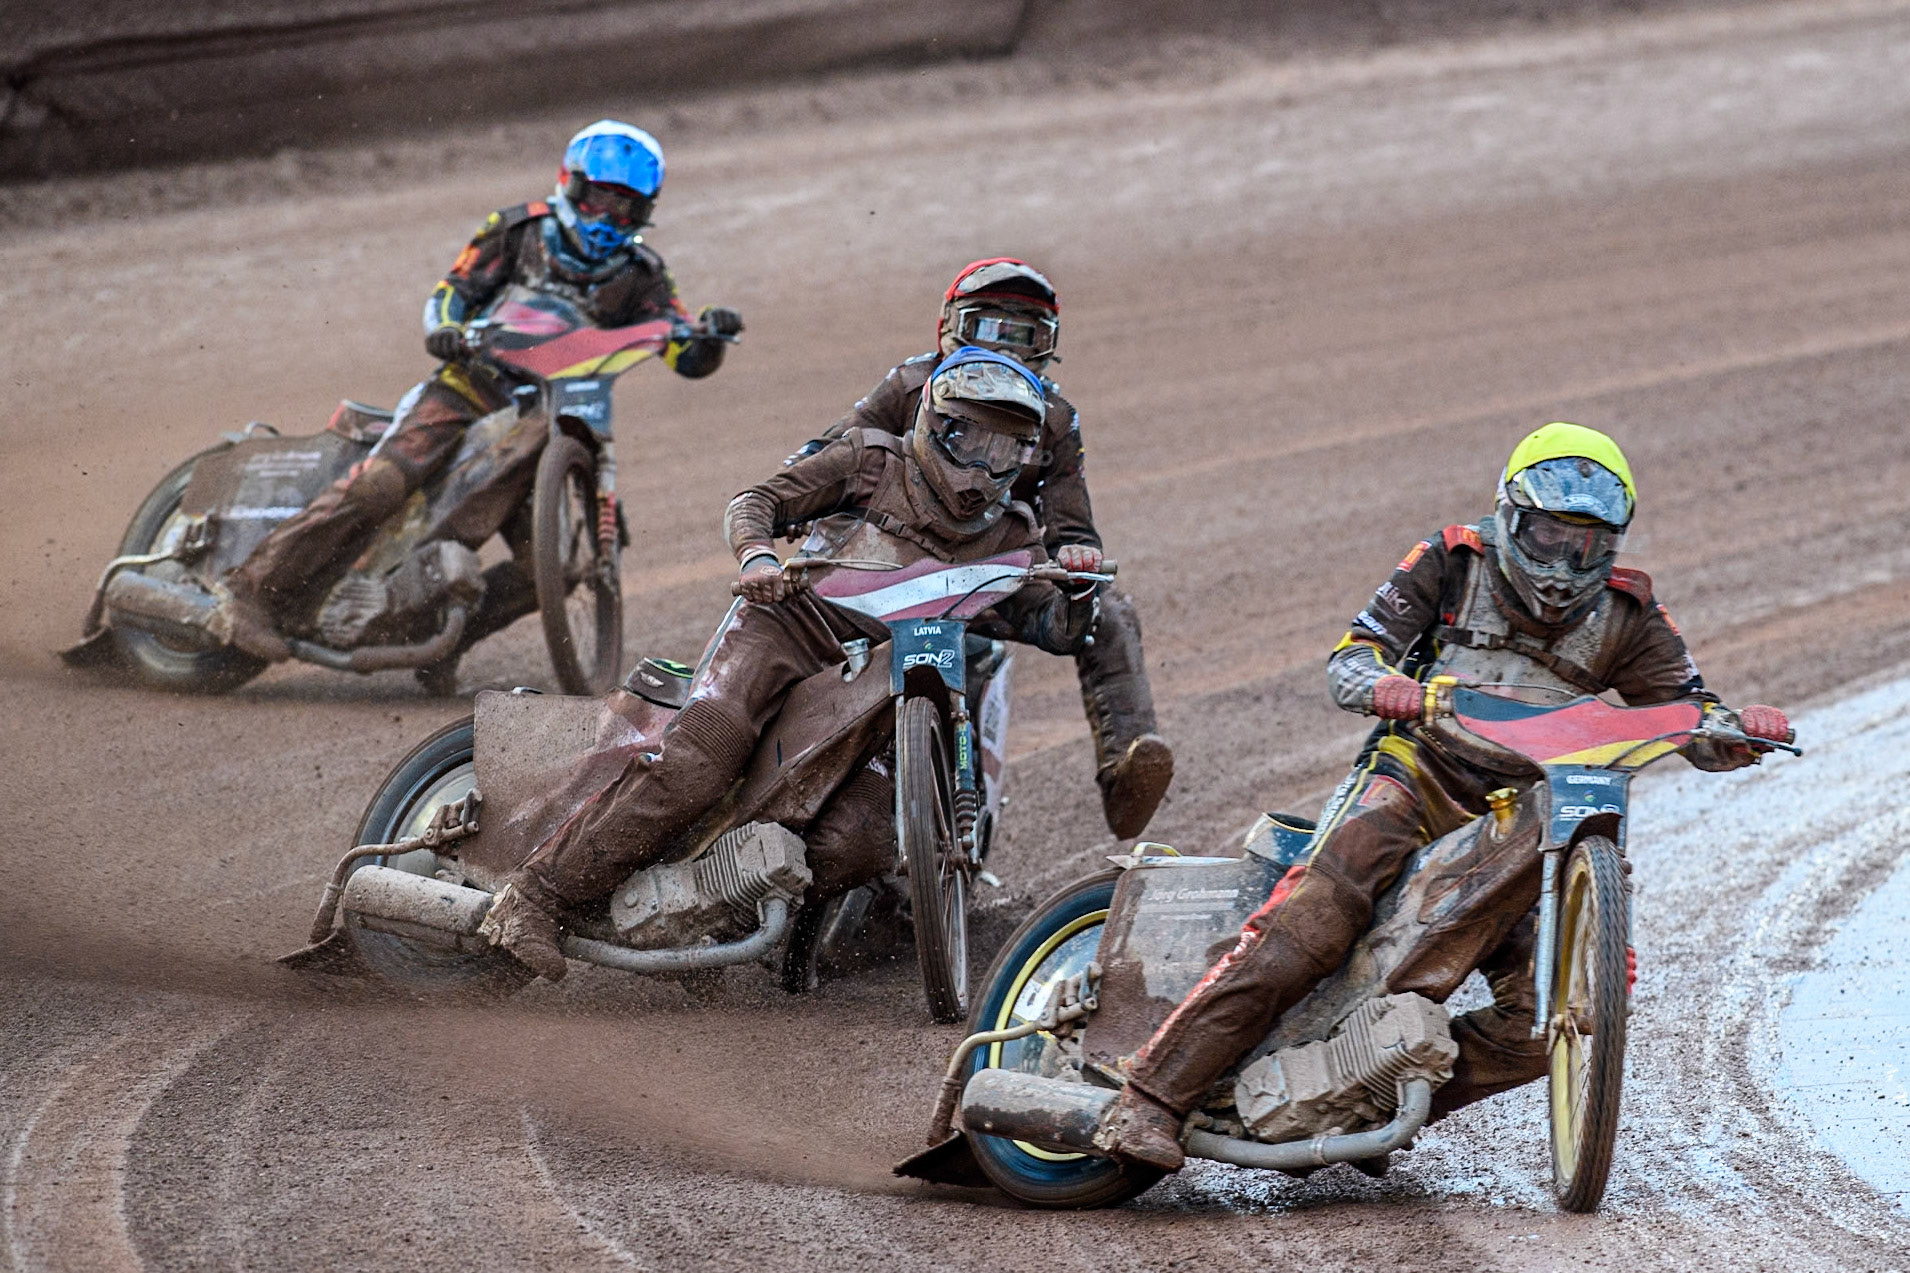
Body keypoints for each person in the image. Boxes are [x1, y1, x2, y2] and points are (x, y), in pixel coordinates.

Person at [1098, 422, 1796, 1169]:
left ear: (1614, 546)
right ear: (1511, 515)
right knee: (1309, 926)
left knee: (1548, 1017)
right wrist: (1387, 686)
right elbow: (1350, 659)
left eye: (1588, 545)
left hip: (1530, 825)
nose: (1565, 565)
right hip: (1414, 780)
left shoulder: (1629, 615)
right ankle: (1149, 1098)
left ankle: (1369, 1093)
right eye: (1551, 536)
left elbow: (1692, 716)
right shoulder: (1451, 561)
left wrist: (1738, 733)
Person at [478, 346, 1101, 981]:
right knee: (699, 757)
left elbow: (1052, 626)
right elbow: (755, 503)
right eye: (967, 439)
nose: (980, 468)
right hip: (788, 627)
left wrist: (1079, 592)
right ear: (933, 423)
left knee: (856, 841)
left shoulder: (1016, 537)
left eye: (1004, 452)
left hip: (891, 688)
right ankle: (535, 897)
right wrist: (758, 560)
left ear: (1026, 459)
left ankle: (718, 917)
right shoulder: (870, 461)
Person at [220, 119, 743, 682]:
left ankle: (445, 641)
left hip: (552, 420)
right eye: (600, 199)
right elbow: (452, 292)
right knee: (384, 484)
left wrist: (709, 337)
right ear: (571, 184)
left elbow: (682, 350)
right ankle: (249, 590)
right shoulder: (518, 230)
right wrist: (445, 329)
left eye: (628, 208)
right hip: (468, 389)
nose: (610, 217)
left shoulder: (644, 275)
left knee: (558, 563)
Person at [788, 259, 1173, 839]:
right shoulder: (911, 387)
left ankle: (1125, 770)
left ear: (1048, 349)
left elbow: (1071, 521)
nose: (1009, 353)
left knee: (1107, 611)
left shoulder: (1056, 423)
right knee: (788, 612)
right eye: (989, 328)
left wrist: (1077, 562)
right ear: (949, 329)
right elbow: (834, 445)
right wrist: (796, 491)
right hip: (888, 569)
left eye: (1027, 337)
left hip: (990, 579)